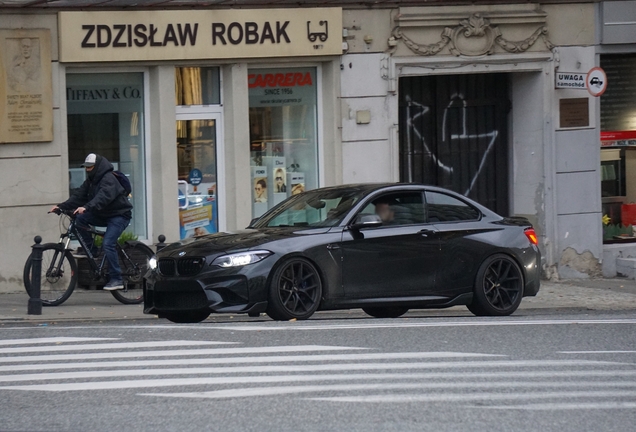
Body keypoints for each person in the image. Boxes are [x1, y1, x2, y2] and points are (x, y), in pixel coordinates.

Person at [51, 153, 133, 291]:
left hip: (119, 216)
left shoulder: (108, 178)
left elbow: (104, 197)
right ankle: (91, 250)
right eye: (86, 167)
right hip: (104, 215)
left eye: (90, 167)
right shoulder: (91, 181)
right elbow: (78, 196)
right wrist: (61, 206)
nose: (88, 170)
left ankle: (117, 279)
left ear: (98, 167)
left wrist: (87, 207)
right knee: (80, 220)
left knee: (108, 243)